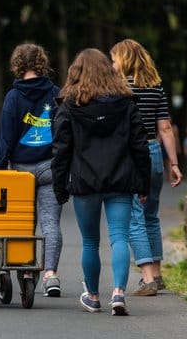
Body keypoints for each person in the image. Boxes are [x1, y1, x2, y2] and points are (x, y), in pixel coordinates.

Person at [52, 48, 151, 316]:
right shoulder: (126, 102)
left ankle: (93, 296)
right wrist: (144, 183)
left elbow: (61, 149)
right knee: (119, 236)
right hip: (120, 179)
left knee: (90, 242)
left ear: (77, 71)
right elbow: (140, 144)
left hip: (85, 182)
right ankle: (118, 293)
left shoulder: (69, 105)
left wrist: (59, 187)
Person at [111, 39, 183, 296]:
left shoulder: (119, 87)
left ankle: (147, 279)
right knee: (151, 215)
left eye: (114, 59)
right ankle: (159, 274)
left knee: (133, 216)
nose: (112, 64)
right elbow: (165, 127)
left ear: (125, 59)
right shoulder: (155, 86)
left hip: (131, 154)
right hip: (153, 152)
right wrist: (173, 163)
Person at [0, 43, 63, 297]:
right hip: (50, 167)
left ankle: (21, 266)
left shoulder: (13, 97)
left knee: (21, 223)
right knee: (50, 223)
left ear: (18, 65)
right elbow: (63, 134)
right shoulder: (56, 93)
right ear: (42, 63)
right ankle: (50, 275)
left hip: (19, 171)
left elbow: (6, 137)